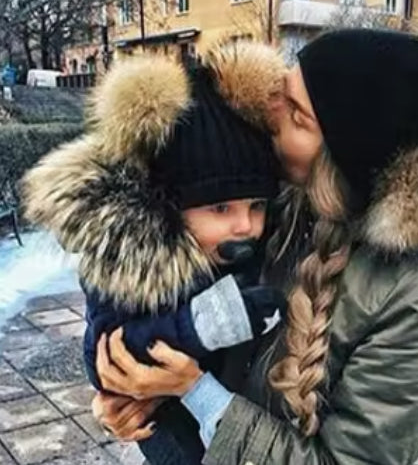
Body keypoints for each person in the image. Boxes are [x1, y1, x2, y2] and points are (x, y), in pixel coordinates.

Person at [89, 0, 418, 465]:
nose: (270, 113)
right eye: (283, 91)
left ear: (342, 161)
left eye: (296, 114)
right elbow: (165, 291)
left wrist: (195, 392)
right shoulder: (281, 204)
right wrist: (130, 393)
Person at [22, 58, 285, 465]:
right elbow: (103, 354)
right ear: (172, 209)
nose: (245, 226)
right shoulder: (132, 261)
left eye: (257, 206)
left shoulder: (261, 246)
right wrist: (203, 324)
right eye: (219, 208)